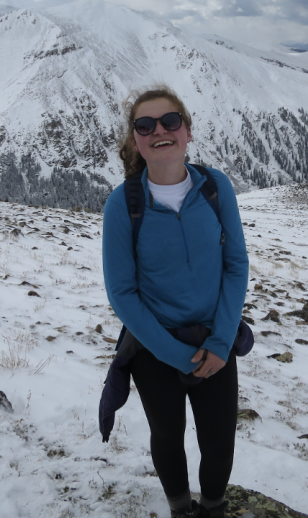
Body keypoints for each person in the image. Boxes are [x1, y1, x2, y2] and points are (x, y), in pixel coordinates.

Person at [102, 85, 249, 518]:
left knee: (219, 440)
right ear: (135, 141)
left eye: (170, 121)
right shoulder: (123, 204)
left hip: (214, 341)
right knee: (168, 435)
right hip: (154, 346)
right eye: (145, 125)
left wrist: (221, 343)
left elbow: (236, 263)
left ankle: (213, 508)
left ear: (187, 132)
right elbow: (122, 293)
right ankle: (181, 510)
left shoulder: (214, 186)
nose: (159, 131)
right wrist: (177, 355)